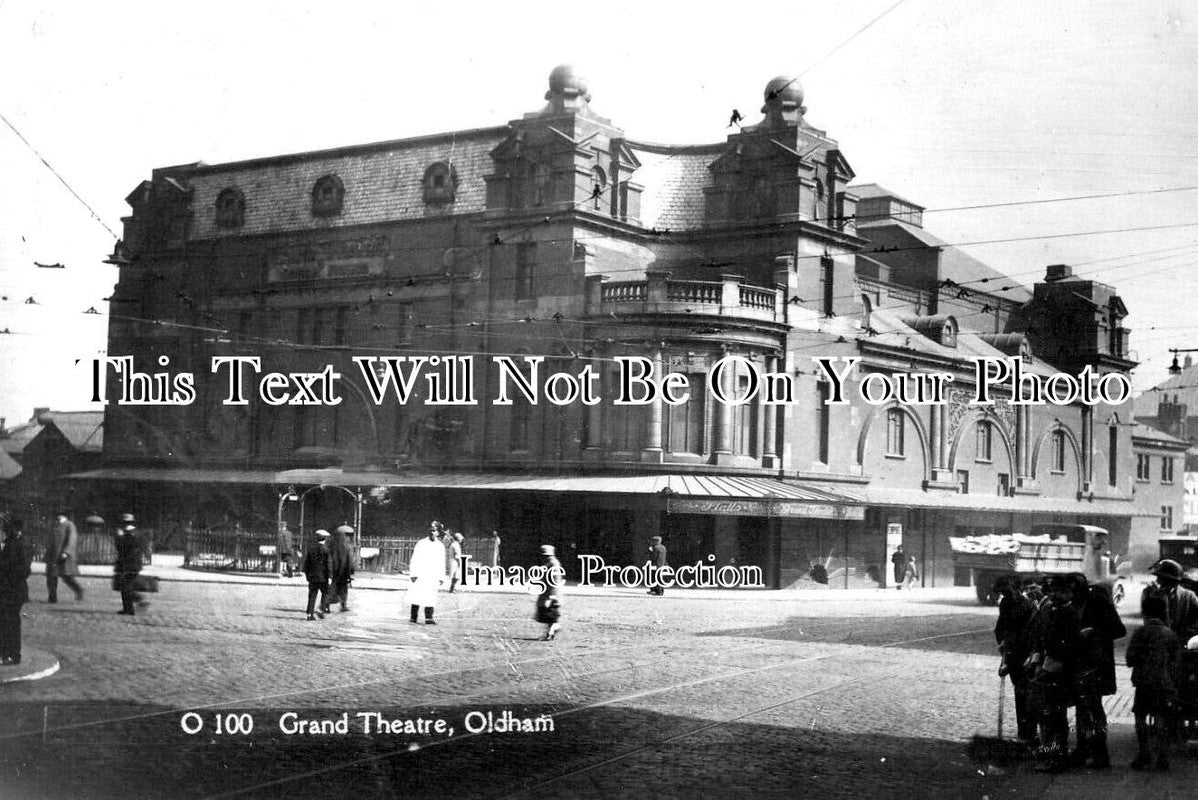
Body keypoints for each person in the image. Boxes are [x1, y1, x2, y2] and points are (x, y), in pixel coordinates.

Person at [1067, 573, 1125, 768]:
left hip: (1096, 664)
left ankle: (1101, 753)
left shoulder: (1098, 601)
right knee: (1081, 708)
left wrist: (1093, 632)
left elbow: (1119, 630)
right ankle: (1083, 749)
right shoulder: (1072, 604)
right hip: (1078, 663)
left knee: (1094, 708)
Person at [1026, 574, 1080, 773]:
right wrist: (1036, 661)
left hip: (1059, 672)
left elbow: (1067, 646)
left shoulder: (1069, 613)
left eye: (1058, 591)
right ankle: (1053, 755)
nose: (1054, 595)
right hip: (1047, 669)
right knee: (1049, 715)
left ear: (1067, 593)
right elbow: (1040, 638)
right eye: (1052, 591)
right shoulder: (1050, 609)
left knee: (1055, 716)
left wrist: (1047, 666)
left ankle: (1056, 757)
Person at [1126, 591, 1181, 771]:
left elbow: (1130, 659)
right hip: (1165, 683)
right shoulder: (1171, 634)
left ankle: (1144, 754)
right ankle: (1162, 756)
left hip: (1144, 682)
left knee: (1140, 717)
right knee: (1161, 718)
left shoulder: (1140, 633)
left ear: (1144, 612)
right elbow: (1176, 663)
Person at [994, 576, 1038, 746]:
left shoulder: (1027, 607)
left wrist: (1013, 651)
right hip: (1012, 653)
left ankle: (1030, 733)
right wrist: (1002, 644)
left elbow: (1028, 635)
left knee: (1027, 694)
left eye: (1008, 591)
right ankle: (1023, 732)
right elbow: (1000, 627)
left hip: (1025, 654)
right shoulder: (1005, 603)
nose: (1006, 595)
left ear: (1017, 589)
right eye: (1003, 593)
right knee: (1019, 693)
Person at [0, 516, 32, 665]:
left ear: (15, 529)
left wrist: (7, 579)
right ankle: (8, 654)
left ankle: (11, 655)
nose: (5, 531)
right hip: (10, 590)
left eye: (8, 528)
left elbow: (24, 569)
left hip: (13, 590)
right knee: (8, 621)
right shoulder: (12, 542)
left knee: (9, 622)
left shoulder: (21, 543)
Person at [1143, 559, 1198, 641]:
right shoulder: (1150, 593)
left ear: (1175, 581)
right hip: (1158, 640)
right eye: (1158, 577)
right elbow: (1148, 618)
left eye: (1163, 579)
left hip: (1181, 640)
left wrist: (1190, 631)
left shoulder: (1188, 596)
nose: (1158, 581)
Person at [407, 523, 446, 624]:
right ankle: (413, 617)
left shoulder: (440, 546)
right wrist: (413, 574)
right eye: (431, 530)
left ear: (438, 532)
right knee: (416, 595)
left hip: (433, 575)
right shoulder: (421, 543)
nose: (432, 532)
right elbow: (415, 558)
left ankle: (429, 618)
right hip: (421, 573)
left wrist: (441, 576)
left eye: (435, 530)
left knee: (431, 596)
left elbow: (441, 562)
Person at [45, 510, 84, 603]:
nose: (58, 517)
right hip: (53, 556)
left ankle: (79, 591)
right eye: (57, 515)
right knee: (51, 577)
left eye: (60, 515)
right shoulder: (54, 525)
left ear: (64, 516)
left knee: (67, 577)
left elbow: (72, 539)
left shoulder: (69, 525)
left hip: (64, 556)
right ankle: (52, 598)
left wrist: (66, 552)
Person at [113, 514, 144, 615]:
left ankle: (130, 607)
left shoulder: (127, 534)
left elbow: (122, 548)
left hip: (127, 564)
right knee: (126, 586)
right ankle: (129, 607)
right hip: (134, 563)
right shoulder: (137, 533)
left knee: (125, 587)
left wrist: (120, 537)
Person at [536, 544, 563, 640]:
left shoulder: (553, 564)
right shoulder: (549, 563)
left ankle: (552, 630)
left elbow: (555, 581)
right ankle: (550, 632)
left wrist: (551, 597)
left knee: (550, 613)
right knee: (548, 614)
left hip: (551, 594)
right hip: (547, 593)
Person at [303, 530, 331, 620]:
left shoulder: (311, 549)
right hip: (323, 577)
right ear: (325, 539)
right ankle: (321, 609)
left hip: (312, 576)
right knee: (326, 593)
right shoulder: (326, 550)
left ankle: (309, 614)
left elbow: (306, 564)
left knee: (312, 595)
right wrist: (330, 576)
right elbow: (328, 564)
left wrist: (307, 576)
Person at [327, 525, 354, 612]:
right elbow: (349, 560)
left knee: (334, 589)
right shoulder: (346, 546)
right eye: (347, 535)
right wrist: (351, 570)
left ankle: (327, 605)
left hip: (335, 571)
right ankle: (342, 605)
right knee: (341, 589)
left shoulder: (331, 545)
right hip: (342, 571)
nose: (349, 538)